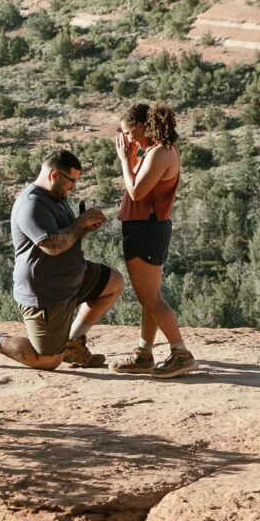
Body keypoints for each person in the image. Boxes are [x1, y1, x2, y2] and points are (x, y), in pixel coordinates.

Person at [0, 149, 124, 371]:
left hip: (71, 278)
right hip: (46, 293)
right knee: (46, 361)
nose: (74, 187)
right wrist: (81, 221)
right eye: (72, 181)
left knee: (113, 284)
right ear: (55, 176)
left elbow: (66, 237)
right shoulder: (32, 204)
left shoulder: (57, 196)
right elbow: (52, 246)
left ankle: (73, 343)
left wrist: (84, 228)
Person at [109, 103, 198, 379]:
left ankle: (181, 353)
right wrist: (133, 154)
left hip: (145, 230)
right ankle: (144, 353)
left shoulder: (161, 153)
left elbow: (136, 192)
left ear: (142, 126)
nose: (129, 139)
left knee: (151, 299)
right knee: (149, 298)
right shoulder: (156, 150)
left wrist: (125, 159)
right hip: (148, 228)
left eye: (130, 132)